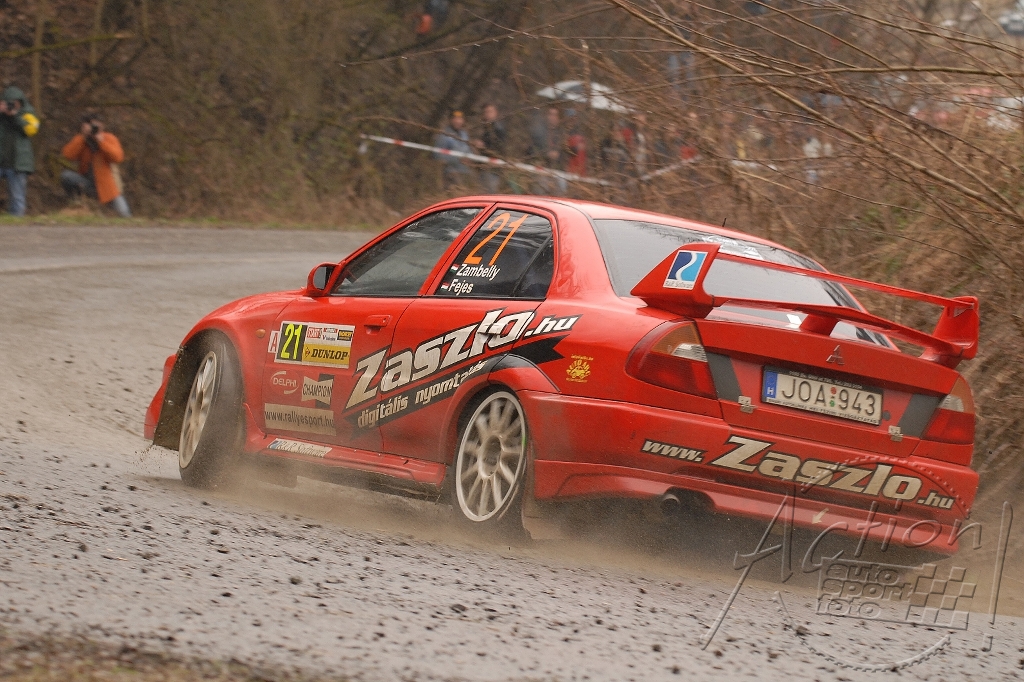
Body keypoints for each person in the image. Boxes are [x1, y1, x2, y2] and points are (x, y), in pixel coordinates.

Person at [61, 112, 131, 217]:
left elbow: (118, 157)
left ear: (102, 126)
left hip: (107, 187)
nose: (94, 129)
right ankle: (76, 202)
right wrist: (83, 137)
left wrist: (101, 141)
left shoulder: (109, 138)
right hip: (87, 184)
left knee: (124, 213)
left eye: (96, 125)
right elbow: (67, 155)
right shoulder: (82, 140)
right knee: (66, 176)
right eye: (91, 126)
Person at [0, 86, 40, 217]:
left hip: (18, 163)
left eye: (15, 102)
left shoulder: (27, 113)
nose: (12, 105)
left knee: (17, 196)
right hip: (2, 160)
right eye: (9, 102)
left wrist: (15, 116)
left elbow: (31, 130)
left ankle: (17, 221)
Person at [527, 106, 567, 196]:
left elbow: (566, 154)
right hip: (541, 170)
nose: (552, 117)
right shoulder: (538, 131)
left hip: (557, 171)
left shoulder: (562, 134)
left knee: (560, 194)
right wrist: (546, 154)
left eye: (555, 115)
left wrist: (558, 155)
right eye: (550, 114)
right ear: (546, 116)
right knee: (541, 191)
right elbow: (530, 150)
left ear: (559, 118)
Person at [473, 103, 508, 193]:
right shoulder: (485, 127)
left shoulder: (498, 129)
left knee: (489, 193)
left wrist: (483, 146)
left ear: (496, 113)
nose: (488, 114)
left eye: (490, 112)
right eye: (486, 112)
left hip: (492, 167)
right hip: (484, 165)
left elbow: (499, 147)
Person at [433, 110, 473, 190]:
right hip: (450, 173)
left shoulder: (464, 134)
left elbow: (468, 150)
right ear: (450, 120)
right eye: (455, 119)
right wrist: (457, 159)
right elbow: (437, 155)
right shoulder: (444, 135)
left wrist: (469, 158)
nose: (457, 121)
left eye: (460, 119)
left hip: (465, 172)